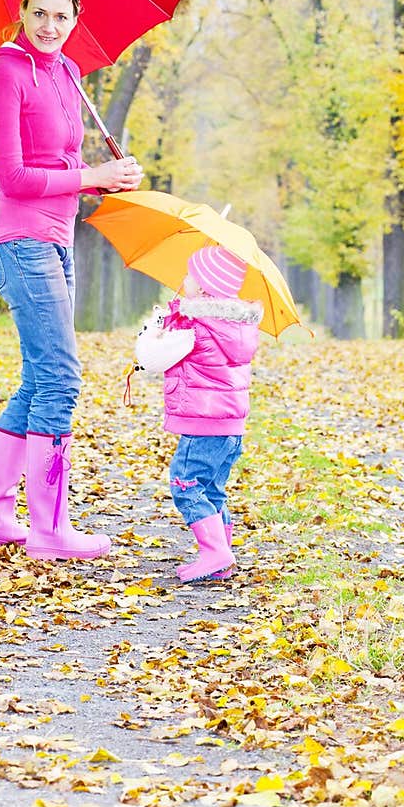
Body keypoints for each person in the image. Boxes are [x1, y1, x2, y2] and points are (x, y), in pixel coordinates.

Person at [0, 0, 143, 561]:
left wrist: (110, 179)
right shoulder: (5, 73)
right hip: (19, 244)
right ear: (22, 13)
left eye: (61, 16)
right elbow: (13, 178)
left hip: (58, 242)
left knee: (38, 381)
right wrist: (90, 176)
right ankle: (49, 530)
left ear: (75, 20)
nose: (49, 25)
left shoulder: (69, 73)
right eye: (38, 13)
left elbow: (64, 166)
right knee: (62, 379)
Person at [134, 244, 263, 582]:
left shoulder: (195, 325)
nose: (184, 279)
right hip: (229, 428)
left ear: (205, 286)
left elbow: (150, 359)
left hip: (203, 425)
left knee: (186, 485)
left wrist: (155, 328)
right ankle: (221, 558)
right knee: (212, 490)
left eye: (190, 274)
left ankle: (216, 553)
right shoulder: (233, 325)